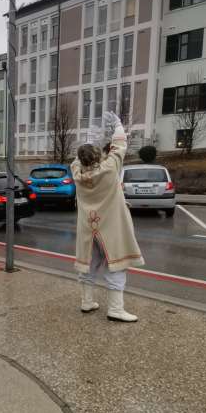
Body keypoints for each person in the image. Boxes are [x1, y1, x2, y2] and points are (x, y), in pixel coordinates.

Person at [71, 112, 144, 322]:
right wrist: (118, 126)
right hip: (110, 226)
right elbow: (120, 146)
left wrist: (91, 139)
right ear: (99, 156)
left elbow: (80, 157)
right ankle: (115, 309)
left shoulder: (76, 171)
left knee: (89, 263)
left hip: (88, 226)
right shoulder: (110, 169)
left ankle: (87, 302)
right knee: (116, 265)